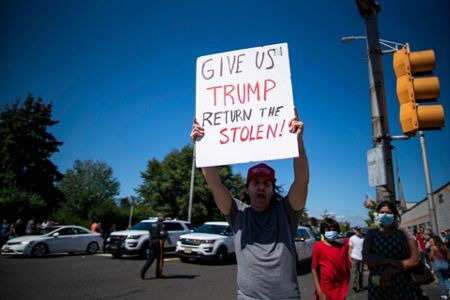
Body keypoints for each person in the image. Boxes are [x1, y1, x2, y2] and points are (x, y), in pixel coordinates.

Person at [190, 109, 309, 300]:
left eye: (266, 183)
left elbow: (301, 181)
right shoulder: (237, 213)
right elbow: (214, 182)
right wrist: (202, 144)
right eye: (256, 183)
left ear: (272, 188)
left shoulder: (286, 212)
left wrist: (298, 142)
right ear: (247, 188)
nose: (261, 187)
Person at [363, 200, 421, 299]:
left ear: (395, 215)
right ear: (377, 215)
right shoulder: (371, 233)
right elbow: (366, 257)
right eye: (382, 212)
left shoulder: (404, 233)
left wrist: (390, 271)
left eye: (388, 213)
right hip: (377, 284)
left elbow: (415, 260)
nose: (385, 215)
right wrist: (388, 261)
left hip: (402, 283)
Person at [311, 217, 351, 300]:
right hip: (325, 289)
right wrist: (319, 290)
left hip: (340, 290)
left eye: (333, 230)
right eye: (328, 230)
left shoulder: (342, 247)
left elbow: (346, 269)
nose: (331, 232)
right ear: (323, 231)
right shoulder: (318, 246)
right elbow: (314, 268)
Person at [140, 213, 167, 279]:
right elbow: (162, 233)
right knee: (160, 258)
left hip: (152, 242)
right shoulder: (161, 224)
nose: (164, 217)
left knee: (151, 258)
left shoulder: (153, 224)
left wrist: (150, 242)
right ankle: (159, 274)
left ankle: (143, 270)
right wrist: (166, 233)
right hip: (159, 242)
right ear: (160, 217)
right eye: (163, 216)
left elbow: (150, 233)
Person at [349, 226, 365, 293]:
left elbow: (365, 248)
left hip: (361, 258)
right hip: (354, 258)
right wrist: (350, 257)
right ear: (355, 231)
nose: (358, 231)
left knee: (361, 273)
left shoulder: (363, 238)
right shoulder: (352, 238)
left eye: (359, 230)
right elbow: (350, 248)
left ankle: (361, 286)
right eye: (357, 230)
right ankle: (354, 286)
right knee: (355, 273)